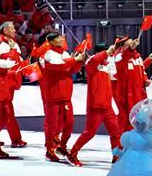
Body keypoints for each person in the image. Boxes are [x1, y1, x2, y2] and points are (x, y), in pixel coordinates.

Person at [67, 42, 123, 166]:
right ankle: (72, 153)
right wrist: (107, 52)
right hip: (95, 106)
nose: (108, 56)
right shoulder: (91, 63)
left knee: (116, 132)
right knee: (89, 133)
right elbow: (94, 60)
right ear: (100, 52)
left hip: (107, 106)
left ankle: (116, 156)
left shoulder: (106, 66)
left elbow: (116, 76)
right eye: (105, 53)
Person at [39, 33, 86, 161]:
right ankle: (50, 149)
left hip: (65, 94)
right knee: (52, 124)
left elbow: (71, 69)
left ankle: (62, 146)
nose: (61, 39)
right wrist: (74, 60)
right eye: (58, 38)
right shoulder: (48, 54)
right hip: (53, 95)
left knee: (70, 123)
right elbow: (60, 65)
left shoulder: (65, 53)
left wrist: (79, 61)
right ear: (51, 41)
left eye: (61, 37)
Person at [0, 22, 26, 147]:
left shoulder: (14, 43)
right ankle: (14, 138)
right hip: (3, 80)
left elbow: (18, 59)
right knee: (6, 110)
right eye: (12, 28)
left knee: (5, 111)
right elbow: (1, 61)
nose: (15, 31)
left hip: (12, 79)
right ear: (5, 30)